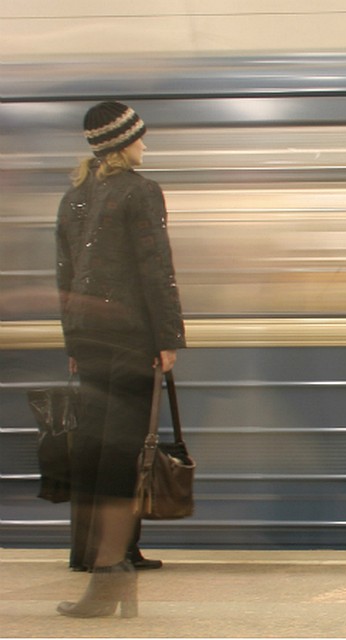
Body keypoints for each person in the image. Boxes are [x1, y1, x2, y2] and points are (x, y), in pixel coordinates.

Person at [55, 101, 186, 617]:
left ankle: (107, 560)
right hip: (132, 339)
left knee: (98, 450)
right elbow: (157, 269)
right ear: (120, 143)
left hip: (88, 341)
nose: (144, 146)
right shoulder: (140, 191)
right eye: (139, 137)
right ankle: (114, 576)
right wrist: (168, 337)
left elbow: (64, 278)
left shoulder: (74, 198)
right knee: (125, 454)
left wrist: (71, 345)